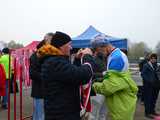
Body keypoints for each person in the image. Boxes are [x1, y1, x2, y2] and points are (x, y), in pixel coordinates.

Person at [40, 31, 95, 120]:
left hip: (60, 111)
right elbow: (81, 76)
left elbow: (71, 76)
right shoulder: (56, 62)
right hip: (62, 114)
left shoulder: (54, 60)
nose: (71, 47)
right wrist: (88, 57)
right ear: (61, 46)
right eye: (69, 44)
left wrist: (77, 59)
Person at [92, 35, 138, 120]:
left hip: (121, 102)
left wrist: (93, 86)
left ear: (103, 46)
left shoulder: (116, 58)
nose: (99, 53)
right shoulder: (116, 55)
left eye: (98, 51)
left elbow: (109, 87)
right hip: (121, 99)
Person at [29, 32, 54, 120]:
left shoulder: (48, 53)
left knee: (38, 116)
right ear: (46, 41)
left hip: (45, 91)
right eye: (52, 41)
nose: (54, 44)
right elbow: (32, 73)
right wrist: (48, 77)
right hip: (40, 92)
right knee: (40, 116)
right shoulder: (37, 54)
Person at [141, 53, 160, 119]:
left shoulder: (157, 65)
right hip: (148, 86)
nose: (154, 59)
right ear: (150, 59)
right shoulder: (146, 65)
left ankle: (152, 111)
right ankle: (147, 113)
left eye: (155, 58)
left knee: (154, 99)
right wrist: (149, 81)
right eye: (152, 58)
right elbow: (143, 74)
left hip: (156, 86)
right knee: (148, 100)